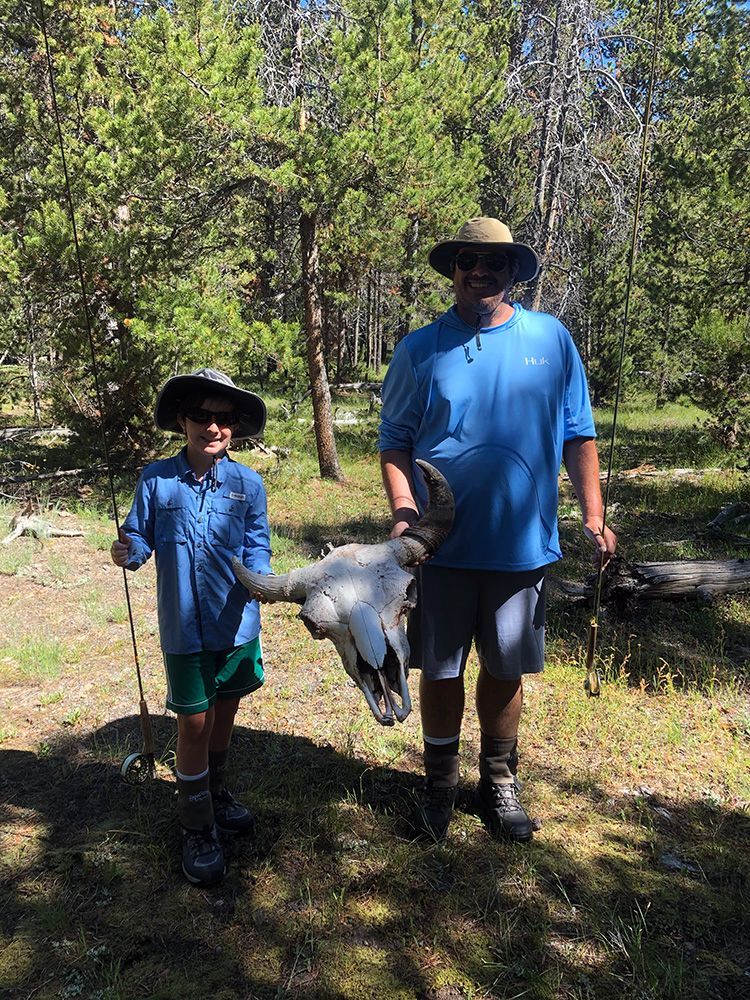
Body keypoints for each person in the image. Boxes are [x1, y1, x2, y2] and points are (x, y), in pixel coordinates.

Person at [379, 217, 617, 843]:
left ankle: (498, 779)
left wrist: (593, 513)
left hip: (521, 544)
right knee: (440, 669)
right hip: (439, 546)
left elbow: (578, 433)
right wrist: (404, 510)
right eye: (467, 260)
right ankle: (439, 781)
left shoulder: (550, 339)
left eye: (494, 262)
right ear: (453, 269)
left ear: (514, 271)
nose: (479, 271)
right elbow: (395, 440)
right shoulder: (420, 349)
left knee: (506, 669)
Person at [111, 368, 271, 885]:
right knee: (193, 724)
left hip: (237, 625)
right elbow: (139, 537)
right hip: (184, 630)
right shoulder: (156, 479)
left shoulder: (249, 484)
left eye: (224, 419)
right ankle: (197, 823)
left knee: (225, 712)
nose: (213, 427)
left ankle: (215, 791)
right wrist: (128, 550)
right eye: (201, 416)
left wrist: (266, 582)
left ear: (235, 427)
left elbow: (258, 546)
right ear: (182, 421)